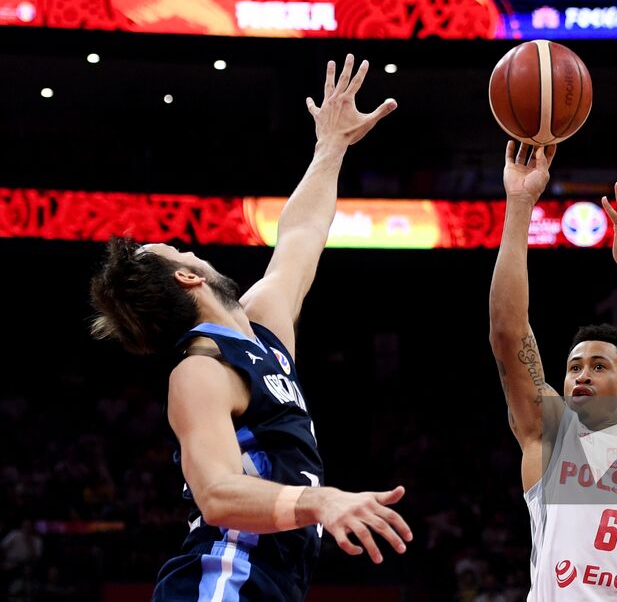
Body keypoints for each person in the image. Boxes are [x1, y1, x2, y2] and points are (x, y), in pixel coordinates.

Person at [90, 56, 412, 600]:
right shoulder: (200, 371)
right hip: (224, 577)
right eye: (179, 250)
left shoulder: (262, 326)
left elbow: (301, 235)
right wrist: (321, 501)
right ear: (189, 276)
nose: (189, 247)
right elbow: (215, 494)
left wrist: (331, 146)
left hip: (274, 577)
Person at [489, 143, 617, 599]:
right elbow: (508, 332)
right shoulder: (550, 436)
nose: (580, 375)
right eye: (574, 367)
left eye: (598, 366)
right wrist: (520, 205)